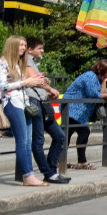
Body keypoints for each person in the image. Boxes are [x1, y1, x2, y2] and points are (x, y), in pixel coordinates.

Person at [0, 36, 46, 187]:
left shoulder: (18, 64)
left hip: (24, 103)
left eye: (24, 45)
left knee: (28, 141)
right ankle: (28, 175)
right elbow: (2, 86)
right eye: (20, 45)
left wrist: (38, 82)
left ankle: (29, 175)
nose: (23, 48)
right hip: (12, 103)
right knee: (22, 141)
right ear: (12, 46)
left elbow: (22, 84)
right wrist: (26, 82)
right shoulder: (2, 62)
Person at [23, 39, 68, 184]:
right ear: (30, 50)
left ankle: (51, 171)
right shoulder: (26, 60)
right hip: (33, 102)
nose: (42, 51)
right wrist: (50, 88)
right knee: (38, 140)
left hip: (42, 102)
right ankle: (48, 173)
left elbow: (37, 82)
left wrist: (46, 93)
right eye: (40, 48)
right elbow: (35, 79)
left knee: (59, 136)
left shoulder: (34, 62)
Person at [62, 60, 107, 169]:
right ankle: (79, 161)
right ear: (101, 70)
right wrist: (106, 95)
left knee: (68, 134)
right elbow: (93, 94)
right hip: (72, 108)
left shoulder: (98, 79)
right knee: (80, 132)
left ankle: (63, 160)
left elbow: (102, 92)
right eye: (106, 73)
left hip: (80, 112)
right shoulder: (90, 76)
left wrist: (104, 82)